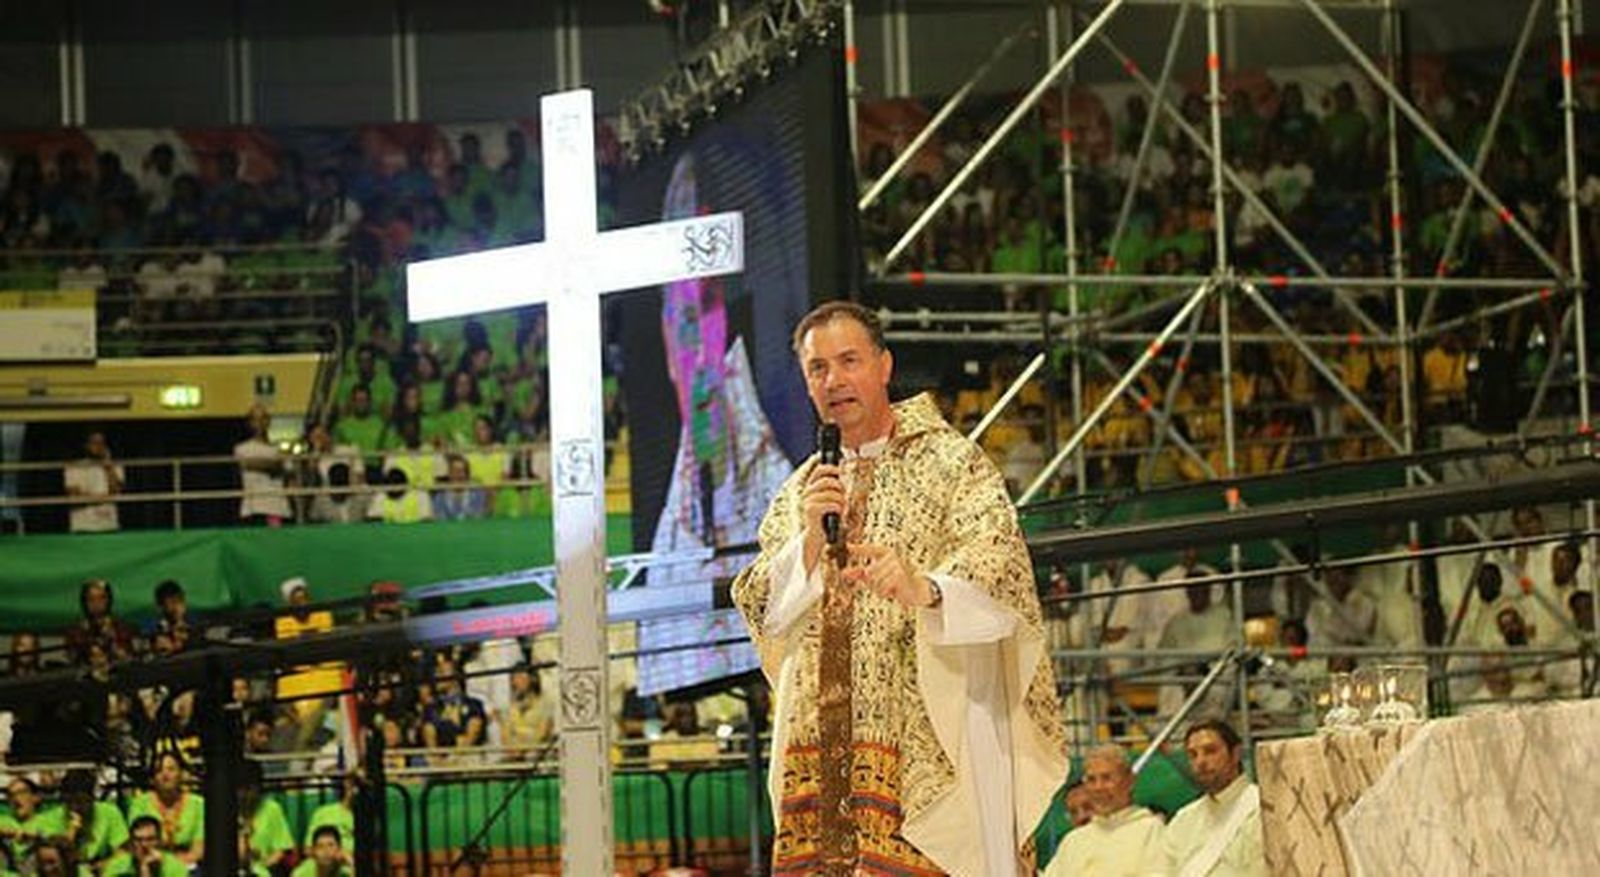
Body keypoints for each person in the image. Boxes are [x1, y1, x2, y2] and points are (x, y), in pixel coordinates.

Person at [730, 302, 1067, 876]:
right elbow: (759, 605)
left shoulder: (951, 463)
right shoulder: (799, 493)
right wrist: (806, 545)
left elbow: (1001, 563)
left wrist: (927, 587)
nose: (834, 380)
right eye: (818, 369)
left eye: (848, 361)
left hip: (918, 748)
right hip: (818, 753)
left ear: (884, 366)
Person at [1156, 719, 1267, 876]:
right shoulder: (1184, 819)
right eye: (1193, 755)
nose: (1200, 761)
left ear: (1235, 754)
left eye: (1210, 751)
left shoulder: (1262, 809)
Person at [1042, 745, 1164, 877]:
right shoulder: (1072, 841)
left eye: (1106, 778)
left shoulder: (1151, 830)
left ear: (1129, 781)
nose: (1098, 787)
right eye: (1091, 780)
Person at [124, 752, 204, 865]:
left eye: (171, 769)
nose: (165, 775)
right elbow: (140, 847)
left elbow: (198, 851)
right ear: (153, 778)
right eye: (158, 771)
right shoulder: (140, 803)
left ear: (181, 774)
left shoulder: (198, 804)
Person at [234, 404, 292, 525]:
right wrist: (273, 464)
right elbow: (248, 464)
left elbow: (287, 471)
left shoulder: (278, 450)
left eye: (264, 418)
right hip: (254, 507)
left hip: (276, 508)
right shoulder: (243, 448)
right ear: (250, 423)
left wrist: (275, 465)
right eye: (256, 419)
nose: (260, 423)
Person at [62, 430, 124, 533]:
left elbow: (116, 491)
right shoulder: (74, 466)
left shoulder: (115, 466)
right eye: (94, 443)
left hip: (108, 525)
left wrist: (108, 467)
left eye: (102, 443)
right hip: (83, 526)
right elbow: (73, 495)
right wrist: (102, 498)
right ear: (86, 445)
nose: (99, 447)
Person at [63, 578, 136, 665]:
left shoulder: (121, 627)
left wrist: (113, 640)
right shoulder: (74, 630)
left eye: (101, 598)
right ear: (84, 602)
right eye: (91, 599)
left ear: (109, 600)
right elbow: (72, 659)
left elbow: (128, 657)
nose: (96, 603)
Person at [0, 776, 68, 867]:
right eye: (11, 795)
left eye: (21, 793)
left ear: (35, 797)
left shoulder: (50, 819)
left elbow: (61, 840)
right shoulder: (3, 819)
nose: (16, 798)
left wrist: (31, 836)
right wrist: (8, 832)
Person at [101, 815, 188, 877]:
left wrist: (145, 870)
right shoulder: (117, 866)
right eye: (138, 839)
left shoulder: (175, 866)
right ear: (131, 842)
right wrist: (144, 867)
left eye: (150, 839)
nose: (144, 844)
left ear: (159, 841)